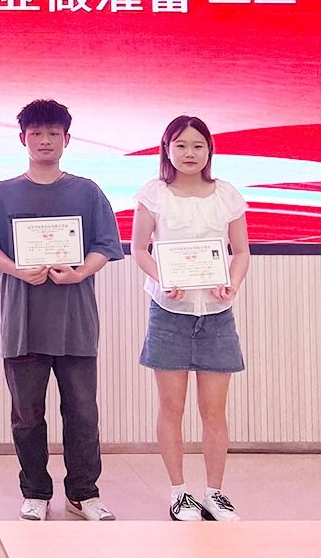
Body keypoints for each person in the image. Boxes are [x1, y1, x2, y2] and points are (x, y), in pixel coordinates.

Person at [0, 99, 124, 522]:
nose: (44, 141)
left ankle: (83, 493)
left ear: (67, 139)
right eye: (36, 133)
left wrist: (80, 273)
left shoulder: (87, 191)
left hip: (76, 323)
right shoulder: (2, 193)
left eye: (53, 133)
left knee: (82, 413)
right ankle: (35, 492)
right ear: (22, 139)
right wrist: (17, 269)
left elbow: (106, 246)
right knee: (27, 415)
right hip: (23, 325)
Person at [131, 115, 250, 522]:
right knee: (172, 407)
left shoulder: (227, 195)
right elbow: (139, 249)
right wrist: (163, 278)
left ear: (209, 151)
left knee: (214, 411)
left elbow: (241, 252)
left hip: (216, 316)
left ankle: (215, 493)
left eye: (198, 145)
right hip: (169, 314)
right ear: (167, 150)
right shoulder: (153, 194)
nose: (189, 153)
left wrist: (231, 284)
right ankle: (179, 493)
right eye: (180, 145)